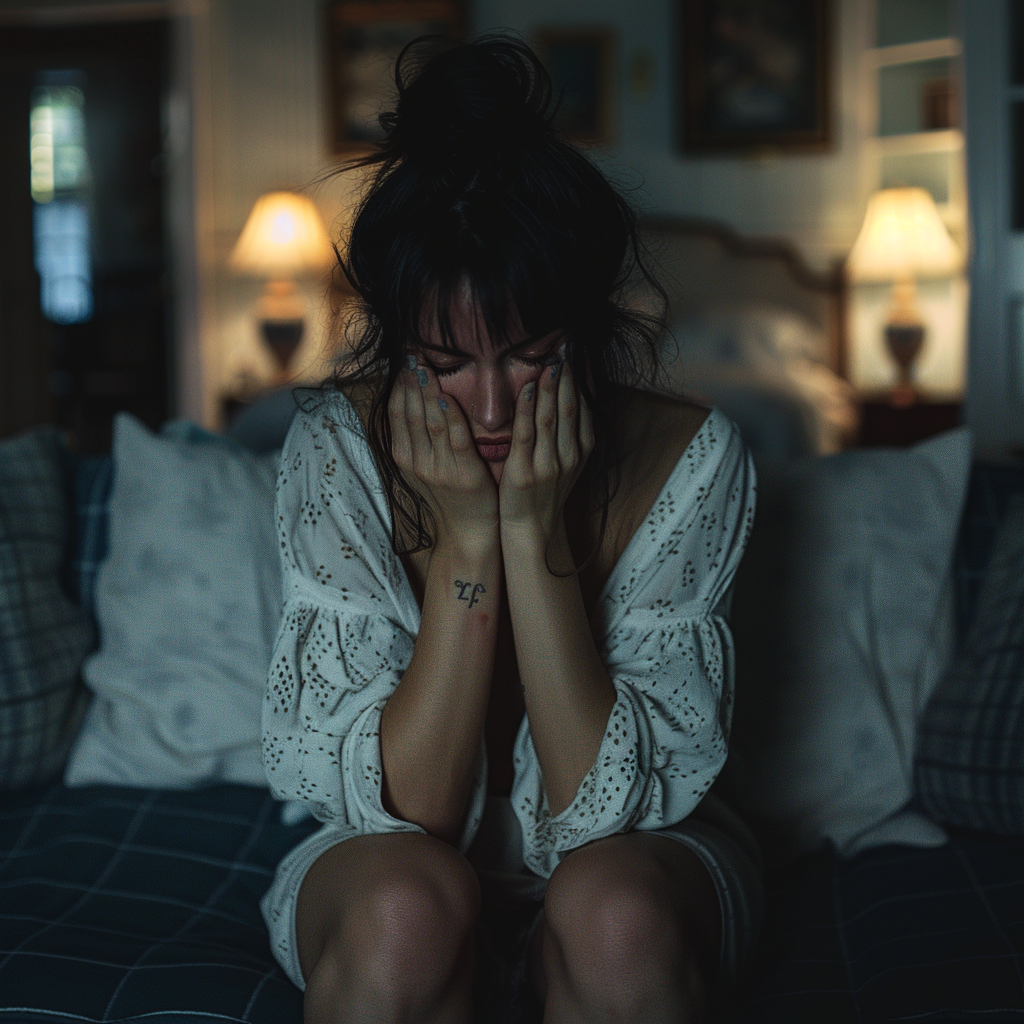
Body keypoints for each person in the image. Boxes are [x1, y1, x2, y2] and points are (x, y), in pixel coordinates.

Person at [260, 35, 761, 1024]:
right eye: (445, 361)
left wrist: (533, 532)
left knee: (611, 910)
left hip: (645, 856)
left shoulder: (695, 456)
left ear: (586, 327)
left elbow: (603, 815)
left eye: (531, 353)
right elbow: (414, 813)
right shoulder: (335, 450)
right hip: (387, 854)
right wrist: (466, 542)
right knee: (406, 904)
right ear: (397, 345)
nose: (489, 408)